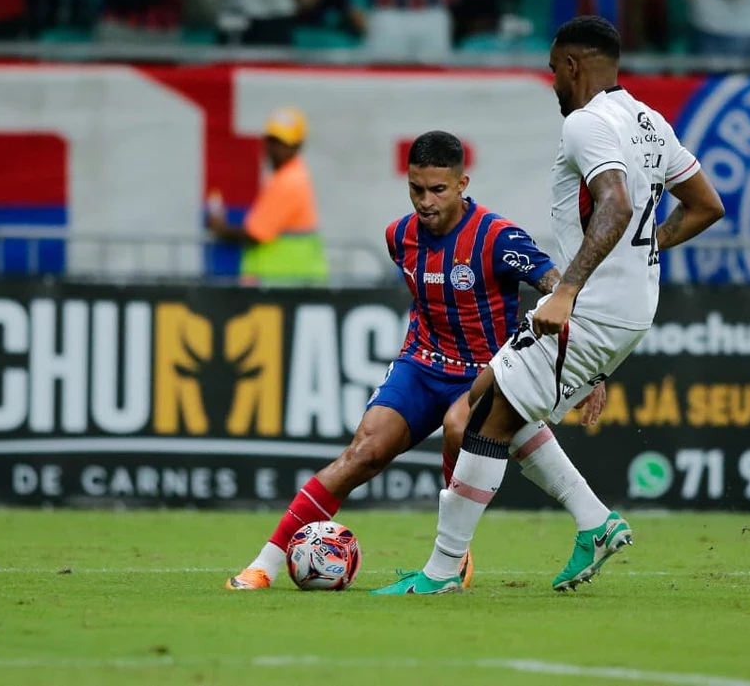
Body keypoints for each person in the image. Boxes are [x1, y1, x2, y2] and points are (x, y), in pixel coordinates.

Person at [373, 16, 726, 596]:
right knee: (495, 398)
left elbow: (614, 203)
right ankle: (595, 522)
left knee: (482, 422)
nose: (553, 83)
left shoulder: (585, 123)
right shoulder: (650, 121)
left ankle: (441, 572)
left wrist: (566, 291)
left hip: (591, 308)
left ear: (572, 65)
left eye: (554, 70)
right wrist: (645, 250)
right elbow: (707, 205)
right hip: (631, 308)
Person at [225, 130, 610, 590]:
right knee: (363, 453)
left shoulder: (498, 237)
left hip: (483, 372)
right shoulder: (399, 236)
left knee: (457, 427)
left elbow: (562, 292)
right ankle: (264, 565)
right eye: (416, 189)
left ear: (463, 184)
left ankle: (454, 556)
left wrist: (586, 368)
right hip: (422, 364)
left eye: (438, 190)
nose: (426, 201)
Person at [206, 106, 329, 286]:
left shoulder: (288, 181)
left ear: (298, 145)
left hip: (284, 283)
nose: (276, 149)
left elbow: (256, 234)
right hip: (288, 282)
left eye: (283, 143)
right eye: (273, 141)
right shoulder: (290, 176)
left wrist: (221, 228)